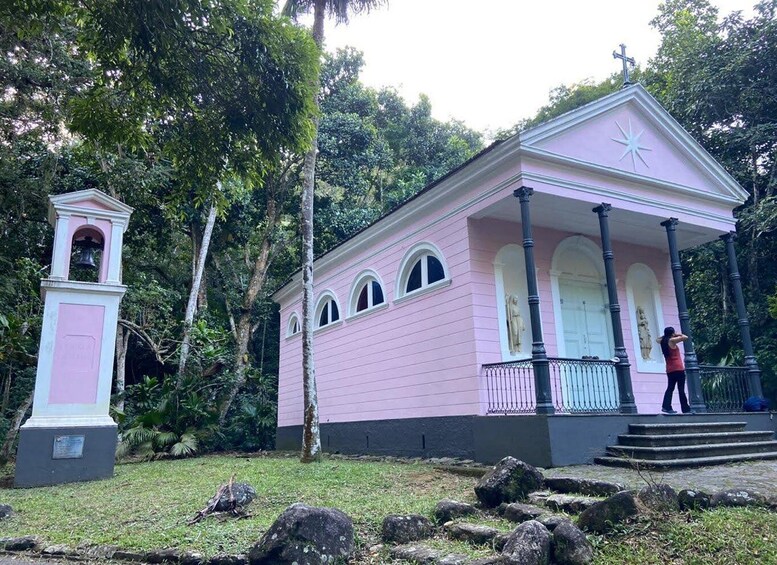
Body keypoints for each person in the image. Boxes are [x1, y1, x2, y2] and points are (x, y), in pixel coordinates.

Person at [659, 326, 691, 414]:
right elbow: (685, 337)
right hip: (678, 368)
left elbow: (657, 339)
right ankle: (686, 409)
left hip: (670, 369)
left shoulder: (662, 341)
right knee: (681, 389)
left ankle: (666, 406)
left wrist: (667, 335)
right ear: (672, 333)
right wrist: (677, 334)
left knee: (670, 388)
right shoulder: (672, 341)